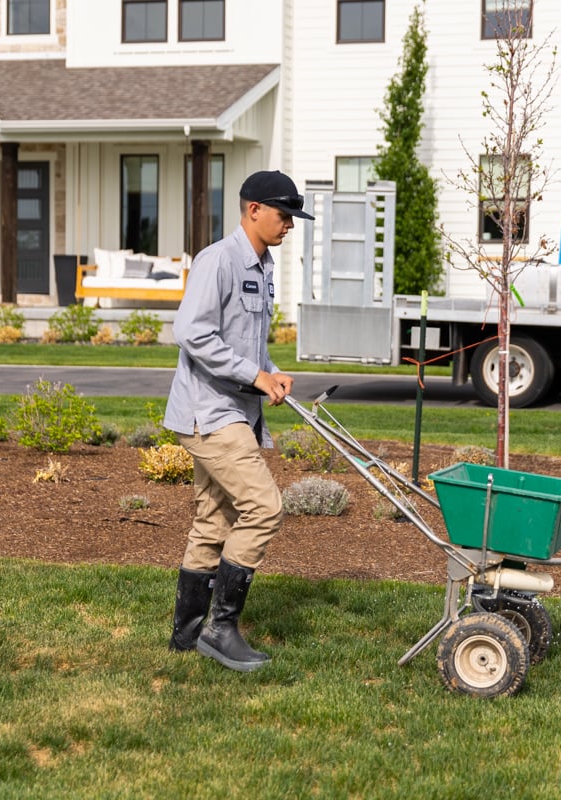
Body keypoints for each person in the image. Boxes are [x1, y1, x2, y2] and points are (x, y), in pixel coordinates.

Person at [163, 170, 314, 672]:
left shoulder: (263, 265)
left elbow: (244, 338)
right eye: (284, 214)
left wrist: (269, 372)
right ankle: (220, 629)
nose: (290, 224)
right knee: (264, 508)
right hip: (210, 412)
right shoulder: (218, 261)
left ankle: (185, 639)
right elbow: (193, 333)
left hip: (235, 409)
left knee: (214, 521)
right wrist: (254, 374)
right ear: (253, 210)